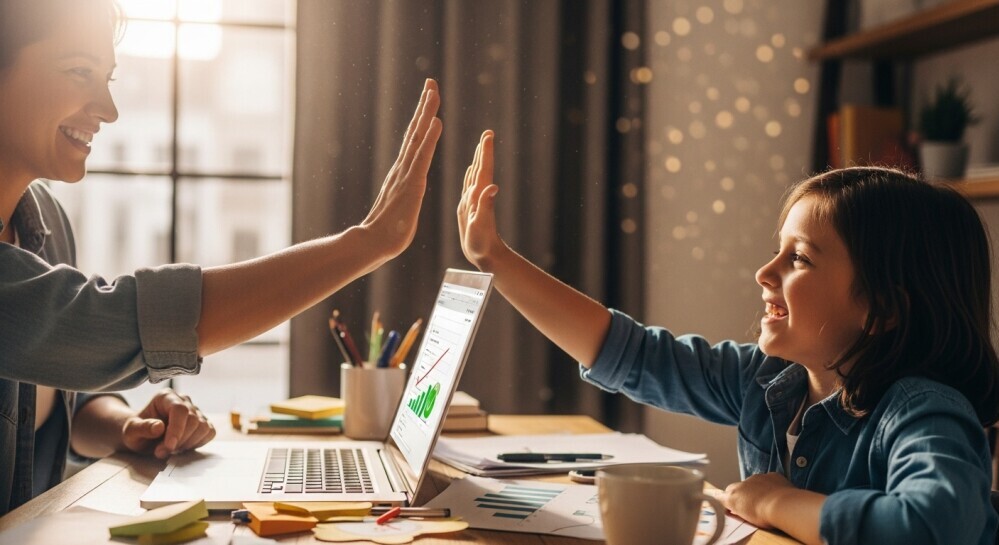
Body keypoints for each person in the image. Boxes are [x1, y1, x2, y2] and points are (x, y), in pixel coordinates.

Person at [0, 0, 443, 515]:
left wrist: (125, 426)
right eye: (79, 71)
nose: (108, 108)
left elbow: (56, 388)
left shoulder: (45, 224)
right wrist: (367, 243)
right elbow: (104, 325)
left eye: (108, 78)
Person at [456, 130, 999, 544]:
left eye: (799, 258)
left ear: (882, 310)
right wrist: (494, 260)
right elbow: (632, 354)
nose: (765, 273)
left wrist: (777, 504)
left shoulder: (924, 412)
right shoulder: (765, 381)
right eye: (778, 250)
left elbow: (932, 526)